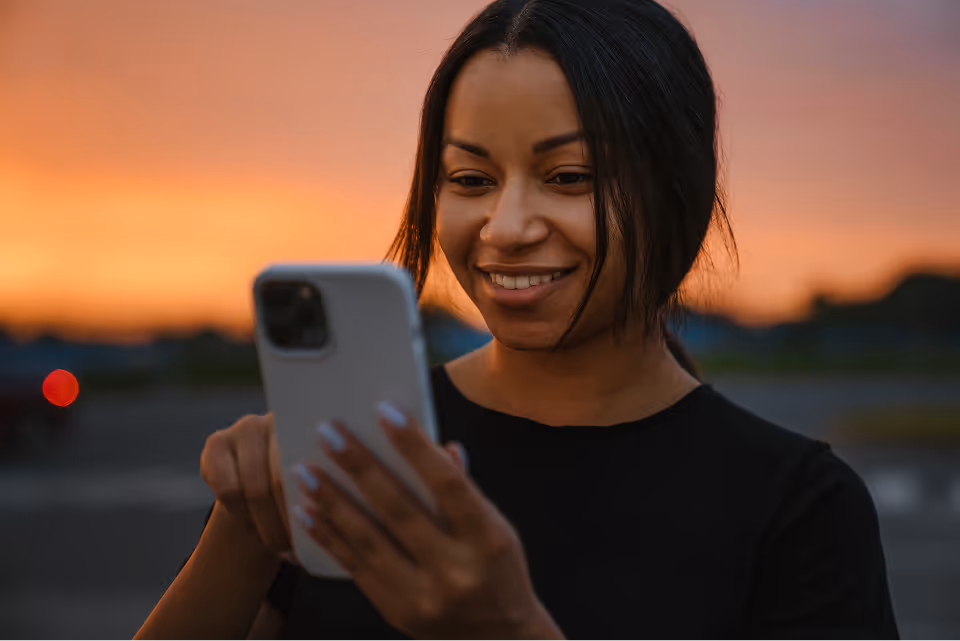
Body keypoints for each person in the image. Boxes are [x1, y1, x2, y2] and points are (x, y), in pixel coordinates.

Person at [134, 1, 901, 639]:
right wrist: (242, 536)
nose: (504, 226)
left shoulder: (799, 510)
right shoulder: (351, 453)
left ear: (682, 195)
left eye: (568, 177)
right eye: (470, 178)